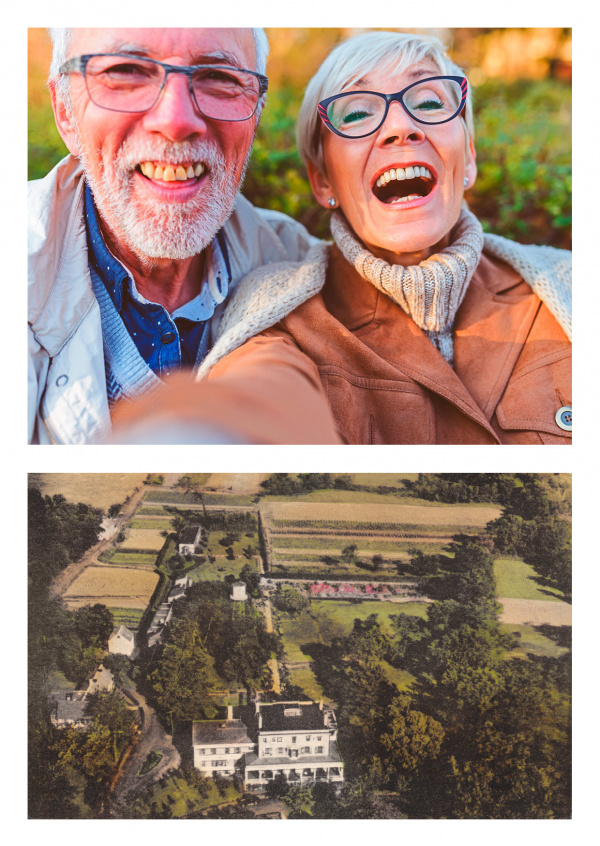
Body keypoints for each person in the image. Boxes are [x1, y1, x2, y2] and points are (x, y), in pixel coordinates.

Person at [196, 31, 571, 445]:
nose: (401, 127)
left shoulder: (569, 287)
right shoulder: (277, 318)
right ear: (322, 181)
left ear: (469, 158)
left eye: (429, 103)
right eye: (356, 114)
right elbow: (258, 402)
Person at [28, 27, 339, 445]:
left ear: (256, 113)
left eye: (219, 78)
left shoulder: (299, 266)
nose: (175, 121)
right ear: (65, 111)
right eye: (126, 72)